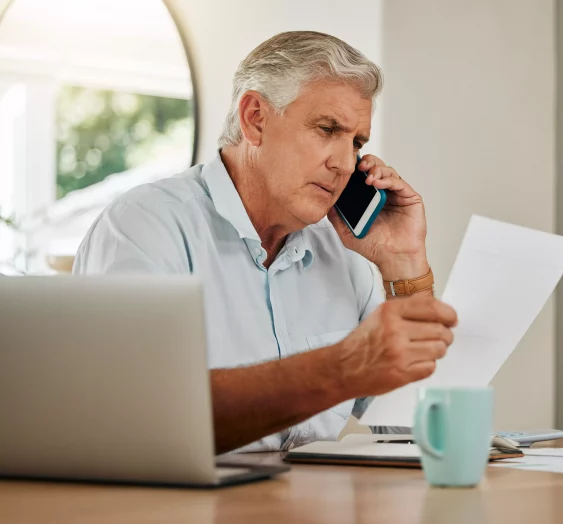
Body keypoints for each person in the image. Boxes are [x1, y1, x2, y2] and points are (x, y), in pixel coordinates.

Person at [74, 31, 457, 453]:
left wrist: (403, 262)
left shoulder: (341, 253)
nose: (346, 164)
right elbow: (138, 416)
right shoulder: (144, 227)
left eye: (356, 143)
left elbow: (422, 430)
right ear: (255, 118)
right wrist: (341, 367)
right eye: (327, 129)